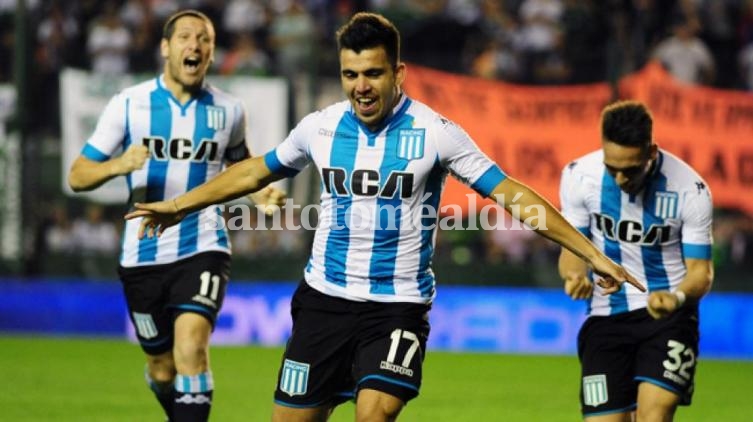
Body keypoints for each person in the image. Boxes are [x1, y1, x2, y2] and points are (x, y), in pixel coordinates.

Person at [125, 12, 643, 422]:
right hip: (325, 301)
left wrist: (590, 252)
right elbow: (254, 173)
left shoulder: (436, 132)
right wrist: (176, 206)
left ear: (398, 72)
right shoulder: (320, 128)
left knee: (377, 413)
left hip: (397, 306)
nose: (361, 86)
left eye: (373, 73)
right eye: (350, 74)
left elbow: (511, 194)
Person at [67, 9, 284, 422]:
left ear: (211, 52)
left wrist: (260, 195)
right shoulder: (129, 104)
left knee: (192, 351)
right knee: (162, 368)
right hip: (142, 254)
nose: (195, 45)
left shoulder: (229, 110)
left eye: (204, 39)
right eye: (185, 36)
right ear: (165, 47)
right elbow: (78, 175)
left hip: (203, 243)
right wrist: (117, 166)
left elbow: (243, 168)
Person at [558, 100, 714, 421]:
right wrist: (575, 278)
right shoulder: (578, 177)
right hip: (606, 316)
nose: (619, 179)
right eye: (611, 168)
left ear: (651, 152)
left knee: (654, 415)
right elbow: (571, 251)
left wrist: (676, 298)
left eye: (629, 170)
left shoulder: (690, 190)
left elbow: (701, 272)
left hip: (668, 315)